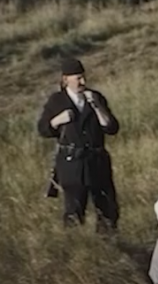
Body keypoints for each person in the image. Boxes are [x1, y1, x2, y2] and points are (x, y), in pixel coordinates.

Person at [35, 57, 121, 231]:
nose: (83, 82)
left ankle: (108, 244)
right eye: (78, 78)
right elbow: (43, 129)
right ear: (66, 79)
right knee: (74, 210)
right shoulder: (57, 101)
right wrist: (57, 120)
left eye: (83, 77)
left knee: (107, 208)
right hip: (72, 164)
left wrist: (97, 107)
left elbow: (112, 128)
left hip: (97, 162)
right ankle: (75, 246)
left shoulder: (96, 97)